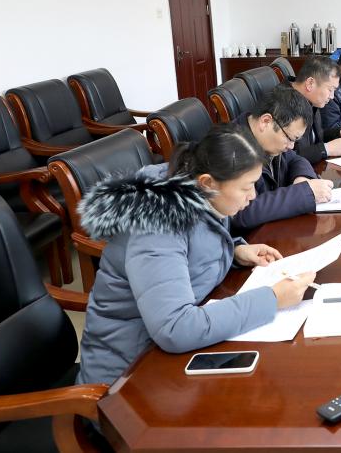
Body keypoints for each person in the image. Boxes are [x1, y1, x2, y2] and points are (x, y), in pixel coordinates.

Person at [76, 125, 317, 387]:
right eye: (246, 187)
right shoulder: (158, 225)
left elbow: (192, 248)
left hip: (165, 352)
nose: (253, 196)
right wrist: (272, 299)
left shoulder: (199, 193)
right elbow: (175, 328)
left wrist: (234, 250)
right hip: (127, 374)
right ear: (208, 183)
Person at [230, 84, 333, 231]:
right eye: (290, 139)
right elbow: (242, 213)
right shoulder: (232, 149)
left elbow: (295, 159)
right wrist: (303, 193)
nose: (291, 146)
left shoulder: (270, 138)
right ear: (266, 121)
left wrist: (302, 178)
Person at [290, 55, 341, 164]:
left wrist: (340, 133)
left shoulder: (310, 99)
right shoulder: (286, 106)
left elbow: (316, 136)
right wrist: (326, 149)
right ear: (310, 83)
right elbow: (287, 160)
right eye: (330, 89)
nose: (332, 96)